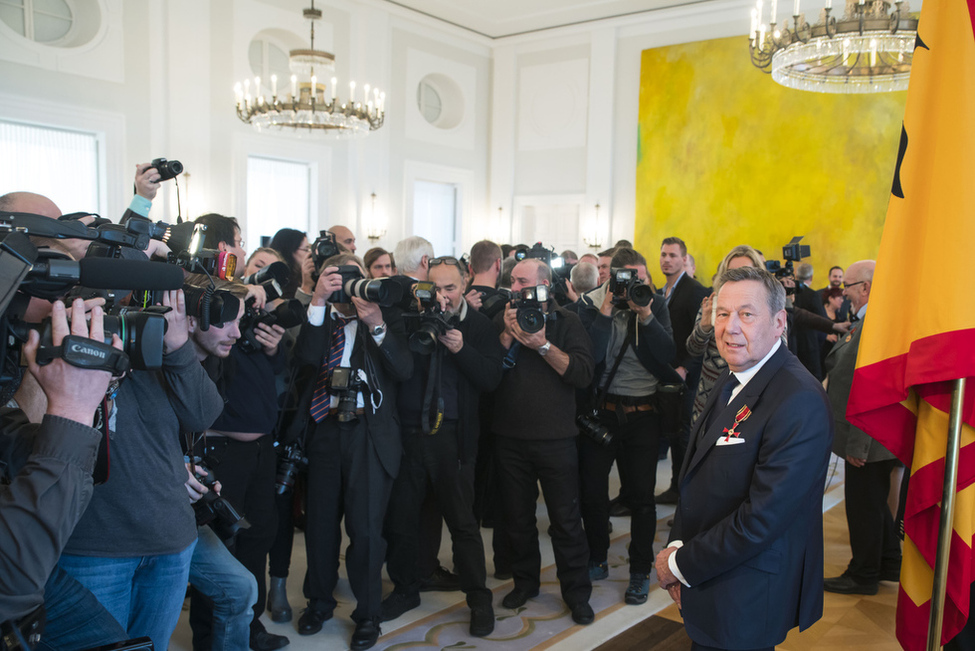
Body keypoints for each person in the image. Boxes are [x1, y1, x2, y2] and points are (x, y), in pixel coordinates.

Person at [655, 265, 833, 651]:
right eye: (722, 313)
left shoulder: (797, 398)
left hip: (747, 591)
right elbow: (697, 477)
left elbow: (761, 520)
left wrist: (680, 565)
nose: (730, 327)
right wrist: (681, 555)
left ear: (779, 321)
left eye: (747, 314)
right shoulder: (737, 371)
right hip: (711, 577)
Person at [57, 288, 224, 650]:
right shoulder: (66, 331)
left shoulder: (154, 339)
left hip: (169, 539)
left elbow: (203, 413)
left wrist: (178, 346)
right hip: (93, 546)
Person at [294, 253, 413, 651]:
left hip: (368, 431)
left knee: (365, 530)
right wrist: (316, 302)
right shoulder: (318, 316)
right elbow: (305, 363)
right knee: (321, 525)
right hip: (325, 429)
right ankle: (319, 602)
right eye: (337, 278)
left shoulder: (385, 313)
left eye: (352, 278)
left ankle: (368, 615)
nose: (345, 287)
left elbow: (404, 370)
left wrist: (375, 323)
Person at [381, 256, 503, 636]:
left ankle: (479, 599)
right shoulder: (407, 317)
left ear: (465, 285)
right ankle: (406, 588)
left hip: (454, 437)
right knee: (402, 520)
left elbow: (491, 379)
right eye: (435, 289)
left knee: (463, 524)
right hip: (409, 433)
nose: (443, 297)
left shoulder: (478, 325)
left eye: (450, 288)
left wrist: (461, 348)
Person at [0, 299, 128, 650]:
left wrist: (87, 393)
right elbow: (11, 581)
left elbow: (19, 445)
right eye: (58, 293)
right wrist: (72, 408)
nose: (75, 304)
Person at [185, 278, 289, 651]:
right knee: (219, 545)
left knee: (258, 536)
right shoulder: (211, 323)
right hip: (220, 448)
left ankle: (250, 625)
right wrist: (238, 298)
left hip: (260, 449)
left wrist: (268, 339)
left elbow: (275, 365)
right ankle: (210, 635)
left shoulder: (246, 323)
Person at [493, 258, 596, 625]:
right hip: (509, 439)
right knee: (517, 520)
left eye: (522, 281)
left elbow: (582, 374)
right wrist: (506, 335)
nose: (515, 288)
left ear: (544, 284)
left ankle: (577, 594)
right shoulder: (502, 317)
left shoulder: (567, 321)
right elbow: (486, 373)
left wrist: (541, 345)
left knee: (566, 522)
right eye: (513, 281)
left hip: (556, 440)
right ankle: (525, 583)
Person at [572, 247, 676, 605]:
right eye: (627, 279)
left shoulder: (654, 303)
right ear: (609, 276)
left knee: (642, 498)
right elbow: (591, 355)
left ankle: (639, 570)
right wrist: (604, 312)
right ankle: (597, 555)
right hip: (601, 411)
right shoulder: (588, 304)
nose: (634, 285)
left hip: (643, 413)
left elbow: (666, 352)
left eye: (640, 279)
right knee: (593, 493)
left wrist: (645, 313)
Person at [823, 260, 901, 595]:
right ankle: (888, 561)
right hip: (874, 435)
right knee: (875, 502)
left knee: (863, 506)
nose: (843, 295)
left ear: (865, 287)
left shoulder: (875, 324)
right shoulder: (869, 320)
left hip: (868, 437)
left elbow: (870, 388)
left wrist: (858, 445)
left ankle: (864, 573)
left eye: (848, 287)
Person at [657, 236, 709, 506]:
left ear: (684, 260)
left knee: (683, 436)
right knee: (672, 433)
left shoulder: (694, 290)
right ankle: (675, 488)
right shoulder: (661, 291)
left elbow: (700, 337)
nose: (667, 259)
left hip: (686, 377)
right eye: (664, 254)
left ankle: (683, 493)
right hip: (666, 374)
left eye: (673, 255)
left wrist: (685, 368)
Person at [269, 228, 312, 299]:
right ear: (290, 250)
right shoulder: (280, 282)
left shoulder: (303, 277)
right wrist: (306, 288)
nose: (309, 254)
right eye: (306, 250)